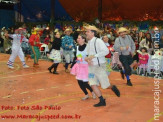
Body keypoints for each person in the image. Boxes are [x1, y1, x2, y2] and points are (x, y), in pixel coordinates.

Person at [84, 25, 120, 107]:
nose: (86, 33)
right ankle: (102, 100)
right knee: (92, 84)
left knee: (105, 86)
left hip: (99, 67)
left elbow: (106, 51)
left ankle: (112, 87)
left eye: (88, 31)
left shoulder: (98, 41)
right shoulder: (89, 43)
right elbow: (87, 54)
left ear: (93, 33)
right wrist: (87, 58)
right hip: (91, 68)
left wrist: (94, 56)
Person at [71, 34, 96, 100]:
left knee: (85, 82)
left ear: (83, 39)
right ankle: (86, 94)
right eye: (78, 38)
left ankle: (92, 92)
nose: (77, 39)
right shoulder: (77, 47)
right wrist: (73, 65)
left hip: (87, 67)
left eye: (79, 38)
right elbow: (78, 57)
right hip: (80, 66)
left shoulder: (88, 47)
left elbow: (91, 57)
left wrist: (88, 60)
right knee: (79, 82)